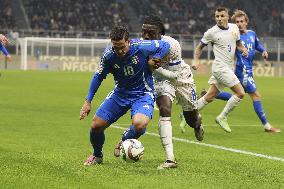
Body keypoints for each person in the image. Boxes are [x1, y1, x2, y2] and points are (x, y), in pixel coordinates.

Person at [79, 25, 170, 166]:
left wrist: (156, 58)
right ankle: (97, 156)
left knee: (140, 124)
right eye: (116, 47)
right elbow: (98, 77)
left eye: (122, 46)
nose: (119, 51)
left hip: (142, 94)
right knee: (96, 125)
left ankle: (125, 138)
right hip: (120, 94)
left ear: (128, 41)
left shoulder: (141, 46)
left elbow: (165, 45)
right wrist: (88, 101)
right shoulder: (109, 55)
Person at [194, 10, 280, 133]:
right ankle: (266, 125)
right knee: (254, 95)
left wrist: (263, 51)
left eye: (241, 21)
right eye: (237, 22)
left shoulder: (252, 34)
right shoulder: (232, 34)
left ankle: (202, 101)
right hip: (241, 70)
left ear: (246, 22)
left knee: (228, 95)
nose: (239, 24)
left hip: (249, 70)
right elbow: (223, 47)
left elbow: (257, 44)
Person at [136, 15, 203, 169]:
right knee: (165, 108)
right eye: (143, 32)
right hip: (161, 81)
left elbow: (173, 75)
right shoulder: (142, 46)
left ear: (160, 32)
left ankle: (198, 123)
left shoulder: (172, 45)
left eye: (150, 33)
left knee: (191, 120)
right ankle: (170, 159)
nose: (146, 36)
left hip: (180, 77)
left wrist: (153, 66)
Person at [192, 7, 248, 133]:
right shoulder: (211, 32)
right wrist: (196, 60)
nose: (219, 19)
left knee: (210, 96)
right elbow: (199, 47)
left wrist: (243, 49)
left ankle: (188, 114)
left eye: (222, 16)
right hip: (220, 67)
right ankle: (222, 117)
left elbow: (238, 44)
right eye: (217, 16)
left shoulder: (234, 28)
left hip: (229, 67)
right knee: (240, 93)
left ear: (227, 16)